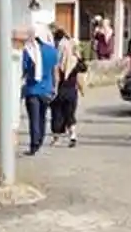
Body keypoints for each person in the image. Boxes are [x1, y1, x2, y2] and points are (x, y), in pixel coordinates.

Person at [20, 24, 58, 156]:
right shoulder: (52, 51)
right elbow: (54, 70)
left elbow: (23, 70)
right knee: (42, 117)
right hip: (47, 89)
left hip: (32, 89)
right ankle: (40, 140)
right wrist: (54, 86)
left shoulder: (28, 51)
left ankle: (34, 144)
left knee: (34, 118)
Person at [50, 28, 86, 147]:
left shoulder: (57, 61)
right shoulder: (75, 61)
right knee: (70, 114)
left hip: (59, 90)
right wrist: (82, 90)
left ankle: (56, 139)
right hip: (71, 91)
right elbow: (83, 70)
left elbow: (54, 75)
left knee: (57, 114)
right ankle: (73, 136)